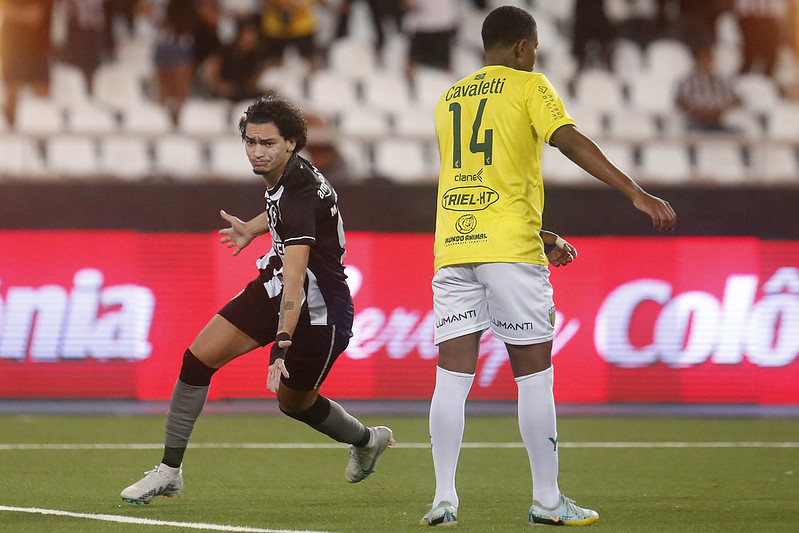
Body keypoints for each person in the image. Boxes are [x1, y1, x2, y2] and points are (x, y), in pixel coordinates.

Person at [422, 5, 676, 527]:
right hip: (510, 252)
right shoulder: (529, 85)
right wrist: (634, 192)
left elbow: (477, 181)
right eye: (534, 47)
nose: (534, 55)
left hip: (454, 245)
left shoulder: (448, 100)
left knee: (451, 376)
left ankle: (444, 499)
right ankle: (547, 500)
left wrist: (543, 234)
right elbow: (567, 140)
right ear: (522, 47)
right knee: (533, 375)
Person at [120, 94, 394, 505]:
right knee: (197, 359)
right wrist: (251, 228)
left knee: (294, 403)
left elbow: (299, 278)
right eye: (251, 142)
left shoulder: (298, 190)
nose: (257, 151)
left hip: (318, 311)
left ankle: (366, 440)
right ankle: (170, 471)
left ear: (291, 144)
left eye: (268, 143)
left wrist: (282, 342)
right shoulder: (289, 177)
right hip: (277, 285)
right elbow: (281, 214)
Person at [0, 0, 54, 125]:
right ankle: (11, 129)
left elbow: (35, 16)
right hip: (14, 48)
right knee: (12, 96)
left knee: (44, 100)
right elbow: (5, 8)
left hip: (39, 49)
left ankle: (42, 136)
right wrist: (24, 14)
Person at [675, 45, 742, 132]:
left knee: (739, 133)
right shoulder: (687, 81)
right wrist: (699, 112)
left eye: (710, 59)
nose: (707, 62)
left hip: (719, 121)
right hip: (696, 122)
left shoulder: (721, 80)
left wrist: (720, 111)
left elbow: (736, 100)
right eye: (704, 59)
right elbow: (679, 102)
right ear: (697, 61)